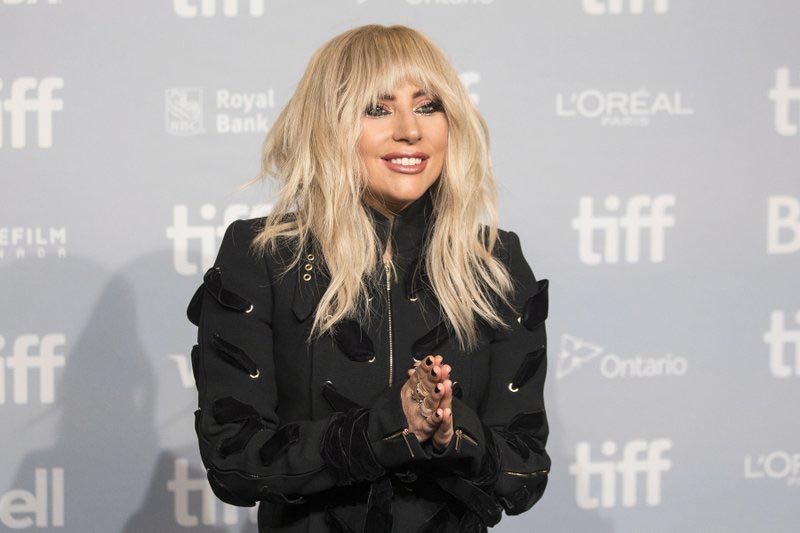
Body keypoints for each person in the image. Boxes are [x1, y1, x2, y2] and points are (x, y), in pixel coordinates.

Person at [185, 24, 551, 532]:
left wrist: (450, 430)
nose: (410, 129)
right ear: (328, 125)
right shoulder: (263, 257)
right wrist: (387, 426)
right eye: (377, 109)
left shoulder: (494, 261)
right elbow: (234, 462)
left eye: (428, 106)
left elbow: (526, 471)